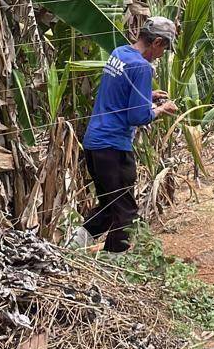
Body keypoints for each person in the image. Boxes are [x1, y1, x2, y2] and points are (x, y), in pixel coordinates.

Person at [72, 16, 179, 252]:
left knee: (109, 206)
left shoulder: (120, 53)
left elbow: (118, 91)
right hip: (114, 146)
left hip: (94, 143)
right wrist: (161, 109)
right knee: (125, 211)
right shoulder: (142, 66)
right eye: (164, 48)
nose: (162, 55)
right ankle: (116, 260)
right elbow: (138, 117)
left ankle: (72, 247)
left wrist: (146, 96)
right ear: (157, 42)